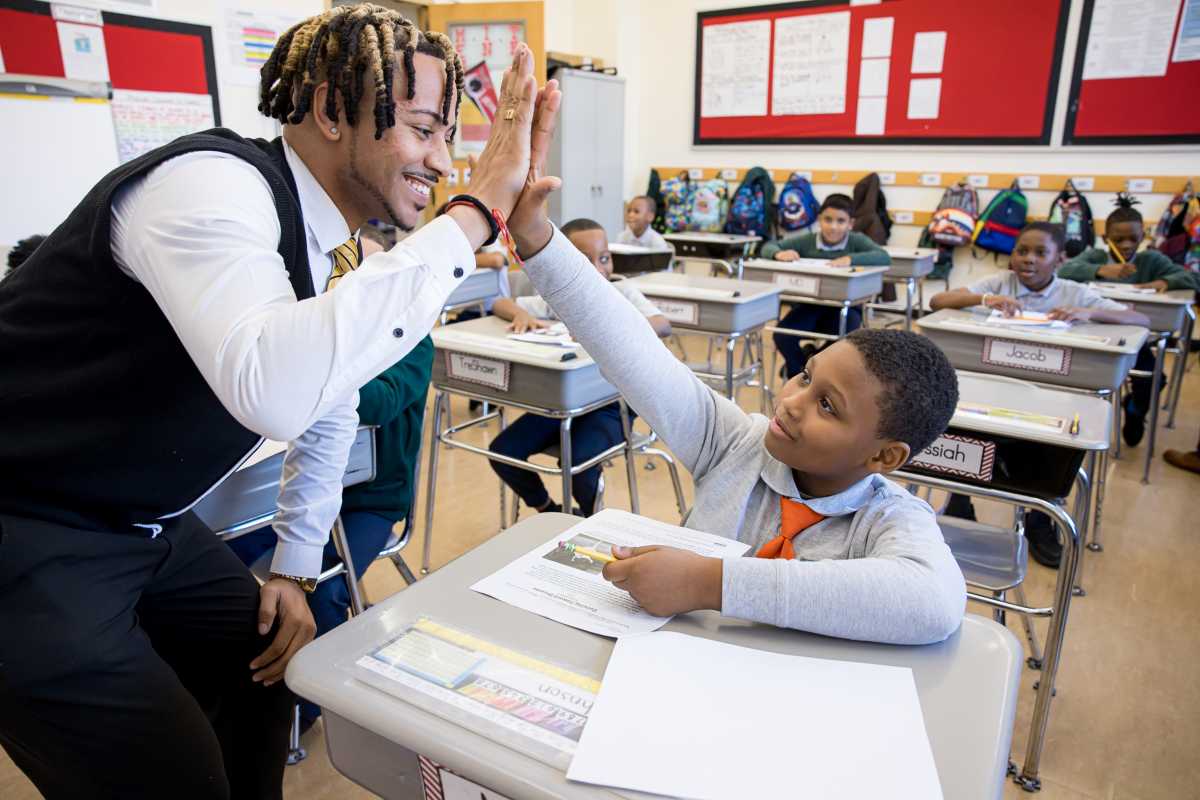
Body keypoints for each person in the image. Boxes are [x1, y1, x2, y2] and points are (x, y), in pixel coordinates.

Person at [0, 3, 560, 795]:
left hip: (140, 522)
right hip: (28, 525)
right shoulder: (211, 186)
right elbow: (271, 388)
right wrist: (475, 213)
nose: (442, 160)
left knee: (266, 670)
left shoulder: (325, 240)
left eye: (448, 136)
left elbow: (328, 402)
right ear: (332, 110)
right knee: (174, 776)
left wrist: (295, 571)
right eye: (424, 130)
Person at [497, 182, 966, 645]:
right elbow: (634, 350)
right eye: (805, 377)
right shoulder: (738, 443)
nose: (791, 402)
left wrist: (707, 583)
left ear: (884, 457)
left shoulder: (889, 518)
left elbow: (933, 602)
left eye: (827, 405)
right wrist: (538, 239)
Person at [226, 236, 433, 734]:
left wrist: (313, 378)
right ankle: (246, 680)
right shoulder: (324, 331)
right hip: (303, 494)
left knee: (322, 587)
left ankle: (309, 705)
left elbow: (383, 400)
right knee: (225, 559)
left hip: (372, 503)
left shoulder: (414, 338)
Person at [929, 222, 1150, 567]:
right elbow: (938, 301)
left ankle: (1040, 517)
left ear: (1059, 259)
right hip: (994, 386)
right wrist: (985, 299)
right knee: (967, 429)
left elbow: (1139, 318)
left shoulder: (1073, 292)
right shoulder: (999, 283)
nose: (1029, 259)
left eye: (1040, 253)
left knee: (1051, 446)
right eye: (1022, 251)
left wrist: (1089, 313)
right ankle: (959, 501)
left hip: (1051, 395)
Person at [489, 218, 671, 516]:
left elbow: (663, 325)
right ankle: (551, 511)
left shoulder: (621, 292)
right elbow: (499, 303)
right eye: (585, 261)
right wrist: (521, 314)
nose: (598, 269)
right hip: (565, 401)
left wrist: (609, 328)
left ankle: (590, 519)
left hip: (613, 405)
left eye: (604, 258)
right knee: (503, 452)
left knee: (577, 465)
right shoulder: (560, 297)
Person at [1058, 193, 1200, 445]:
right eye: (1118, 239)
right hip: (1090, 337)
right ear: (1106, 239)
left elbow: (1191, 278)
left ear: (1143, 236)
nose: (1126, 245)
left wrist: (1164, 281)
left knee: (1154, 379)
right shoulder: (1095, 257)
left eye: (1133, 239)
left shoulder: (1150, 260)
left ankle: (1134, 410)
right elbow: (1063, 271)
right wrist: (1099, 270)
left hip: (1135, 339)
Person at [758, 193, 891, 378]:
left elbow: (883, 256)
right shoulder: (807, 240)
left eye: (840, 221)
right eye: (828, 220)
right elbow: (768, 246)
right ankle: (801, 375)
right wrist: (778, 254)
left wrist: (851, 259)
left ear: (850, 224)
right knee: (782, 335)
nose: (833, 226)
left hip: (846, 309)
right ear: (819, 220)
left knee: (847, 340)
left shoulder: (856, 240)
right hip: (809, 306)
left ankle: (811, 366)